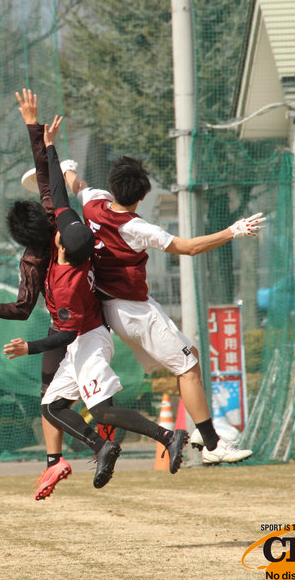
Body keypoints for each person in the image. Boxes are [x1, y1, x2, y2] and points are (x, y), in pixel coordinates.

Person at [3, 116, 188, 490]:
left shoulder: (66, 283)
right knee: (51, 406)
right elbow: (56, 192)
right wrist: (47, 145)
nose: (62, 230)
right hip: (80, 342)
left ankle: (169, 436)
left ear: (63, 247)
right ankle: (101, 447)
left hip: (86, 340)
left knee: (102, 410)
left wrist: (29, 347)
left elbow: (63, 334)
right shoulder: (69, 243)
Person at [63, 155, 264, 464]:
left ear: (112, 188)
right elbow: (189, 247)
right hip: (134, 311)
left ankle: (203, 431)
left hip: (114, 308)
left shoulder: (93, 204)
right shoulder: (136, 227)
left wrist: (65, 167)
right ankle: (212, 445)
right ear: (142, 196)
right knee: (188, 367)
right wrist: (232, 231)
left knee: (190, 355)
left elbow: (78, 185)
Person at [0, 88, 75, 501]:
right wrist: (33, 128)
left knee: (49, 398)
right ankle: (70, 452)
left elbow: (22, 309)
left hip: (64, 327)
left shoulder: (32, 261)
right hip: (100, 314)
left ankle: (63, 456)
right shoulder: (59, 217)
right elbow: (45, 174)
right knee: (77, 394)